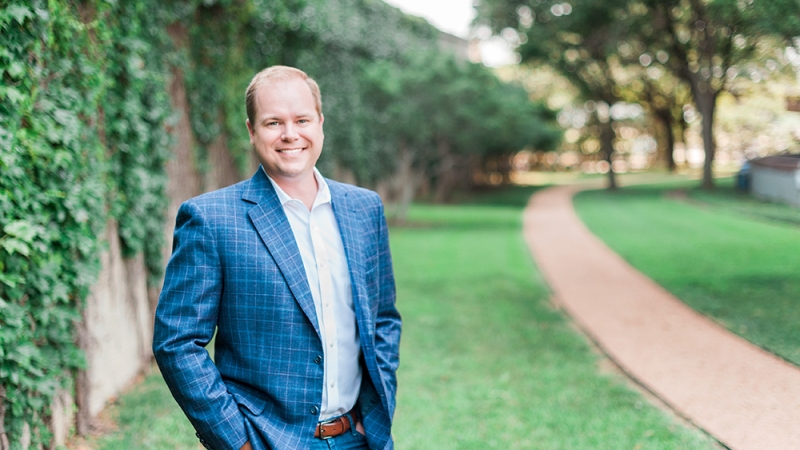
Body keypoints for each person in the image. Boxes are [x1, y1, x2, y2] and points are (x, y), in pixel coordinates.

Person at [153, 65, 401, 450]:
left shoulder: (364, 209)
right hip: (266, 440)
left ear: (320, 123)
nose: (290, 134)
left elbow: (383, 319)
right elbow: (177, 342)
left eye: (302, 120)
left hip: (358, 437)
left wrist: (374, 416)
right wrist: (236, 441)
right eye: (273, 122)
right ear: (252, 130)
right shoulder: (212, 219)